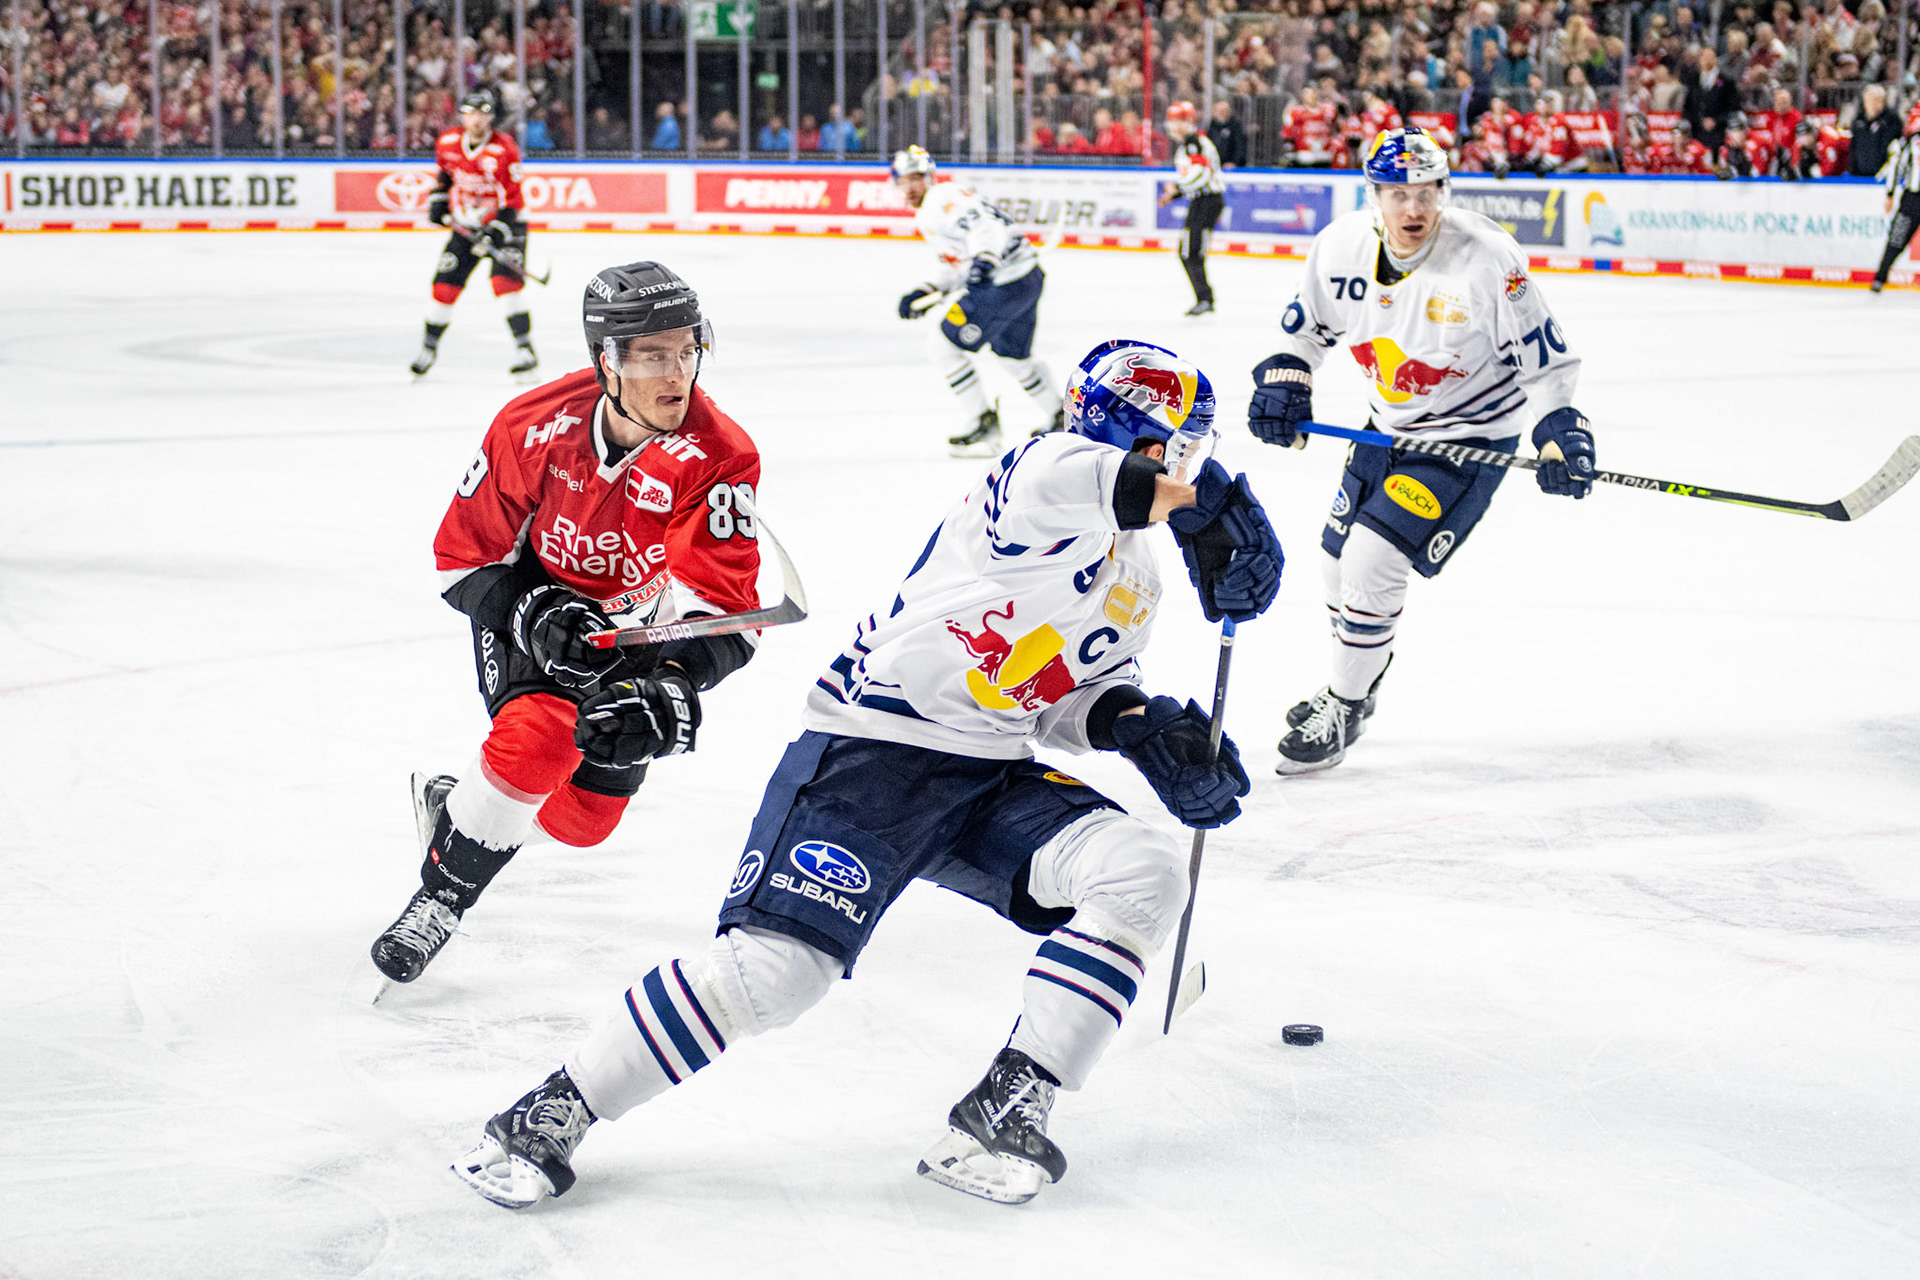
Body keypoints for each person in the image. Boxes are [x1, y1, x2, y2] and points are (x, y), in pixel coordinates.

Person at [448, 339, 1285, 1211]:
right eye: (1175, 449)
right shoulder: (1044, 472)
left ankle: (1007, 1107)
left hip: (993, 770)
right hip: (871, 753)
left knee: (1143, 871)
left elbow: (1064, 692)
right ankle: (553, 1107)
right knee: (777, 976)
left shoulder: (1137, 578)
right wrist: (1209, 505)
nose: (1187, 464)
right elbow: (1112, 485)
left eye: (1196, 452)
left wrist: (1141, 727)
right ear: (1133, 442)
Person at [370, 263, 765, 985]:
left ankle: (460, 810)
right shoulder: (530, 427)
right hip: (530, 609)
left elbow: (726, 609)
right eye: (652, 354)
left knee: (586, 823)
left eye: (687, 349)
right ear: (606, 359)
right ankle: (441, 900)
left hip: (632, 633)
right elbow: (461, 561)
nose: (677, 373)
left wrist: (674, 684)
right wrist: (529, 609)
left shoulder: (718, 454)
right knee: (540, 736)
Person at [1245, 127, 1595, 774]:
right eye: (1398, 193)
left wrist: (1560, 427)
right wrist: (1285, 380)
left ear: (1444, 190)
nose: (1414, 209)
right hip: (1386, 428)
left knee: (1372, 561)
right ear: (1373, 194)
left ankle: (1344, 702)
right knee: (1334, 564)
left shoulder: (1489, 259)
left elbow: (1545, 362)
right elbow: (1302, 333)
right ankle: (1356, 683)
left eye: (1428, 192)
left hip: (1468, 441)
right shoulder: (1340, 247)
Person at [891, 144, 1065, 457]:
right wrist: (927, 288)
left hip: (1002, 286)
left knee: (942, 346)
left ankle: (985, 429)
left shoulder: (941, 199)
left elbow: (985, 229)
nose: (911, 186)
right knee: (1014, 357)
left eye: (916, 177)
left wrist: (985, 260)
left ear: (930, 177)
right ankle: (1060, 416)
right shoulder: (938, 204)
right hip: (1025, 277)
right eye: (904, 180)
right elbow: (956, 263)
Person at [409, 88, 538, 381]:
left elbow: (514, 201)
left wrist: (497, 230)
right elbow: (445, 174)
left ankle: (525, 351)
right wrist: (438, 201)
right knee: (444, 287)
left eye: (482, 114)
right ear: (463, 116)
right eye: (471, 113)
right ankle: (428, 349)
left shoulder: (503, 149)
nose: (477, 120)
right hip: (466, 224)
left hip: (507, 222)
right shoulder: (448, 141)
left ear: (491, 117)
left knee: (505, 283)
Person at [1161, 101, 1226, 317]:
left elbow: (1201, 173)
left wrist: (1177, 188)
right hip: (1202, 201)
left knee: (1191, 252)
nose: (1172, 126)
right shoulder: (1191, 143)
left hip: (1207, 201)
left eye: (1177, 121)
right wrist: (1176, 193)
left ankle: (1205, 299)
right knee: (1189, 251)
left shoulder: (1193, 142)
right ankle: (1204, 298)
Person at [1870, 109, 1920, 293]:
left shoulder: (1905, 143)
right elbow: (1894, 169)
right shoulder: (1905, 144)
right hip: (1912, 198)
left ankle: (1879, 278)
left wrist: (1890, 195)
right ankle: (1880, 277)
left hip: (1911, 198)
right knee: (1897, 238)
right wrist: (1890, 195)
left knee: (1897, 238)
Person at [1848, 85, 1902, 177]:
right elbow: (1854, 147)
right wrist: (1853, 171)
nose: (1873, 104)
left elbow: (1891, 148)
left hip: (1883, 176)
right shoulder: (1858, 120)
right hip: (1860, 175)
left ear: (1883, 102)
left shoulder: (1891, 121)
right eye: (1869, 100)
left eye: (1877, 100)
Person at [1207, 97, 1248, 168]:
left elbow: (1240, 146)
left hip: (1231, 166)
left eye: (1224, 110)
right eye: (1219, 111)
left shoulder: (1235, 127)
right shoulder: (1210, 126)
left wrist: (1235, 162)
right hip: (1213, 165)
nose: (1222, 113)